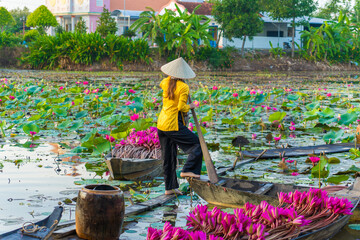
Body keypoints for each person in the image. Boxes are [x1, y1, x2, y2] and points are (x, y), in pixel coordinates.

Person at [157, 57, 203, 195]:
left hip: (161, 124)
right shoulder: (184, 86)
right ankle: (188, 169)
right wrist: (191, 105)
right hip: (172, 123)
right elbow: (182, 107)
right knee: (197, 143)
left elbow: (165, 84)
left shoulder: (165, 82)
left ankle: (169, 188)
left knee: (168, 157)